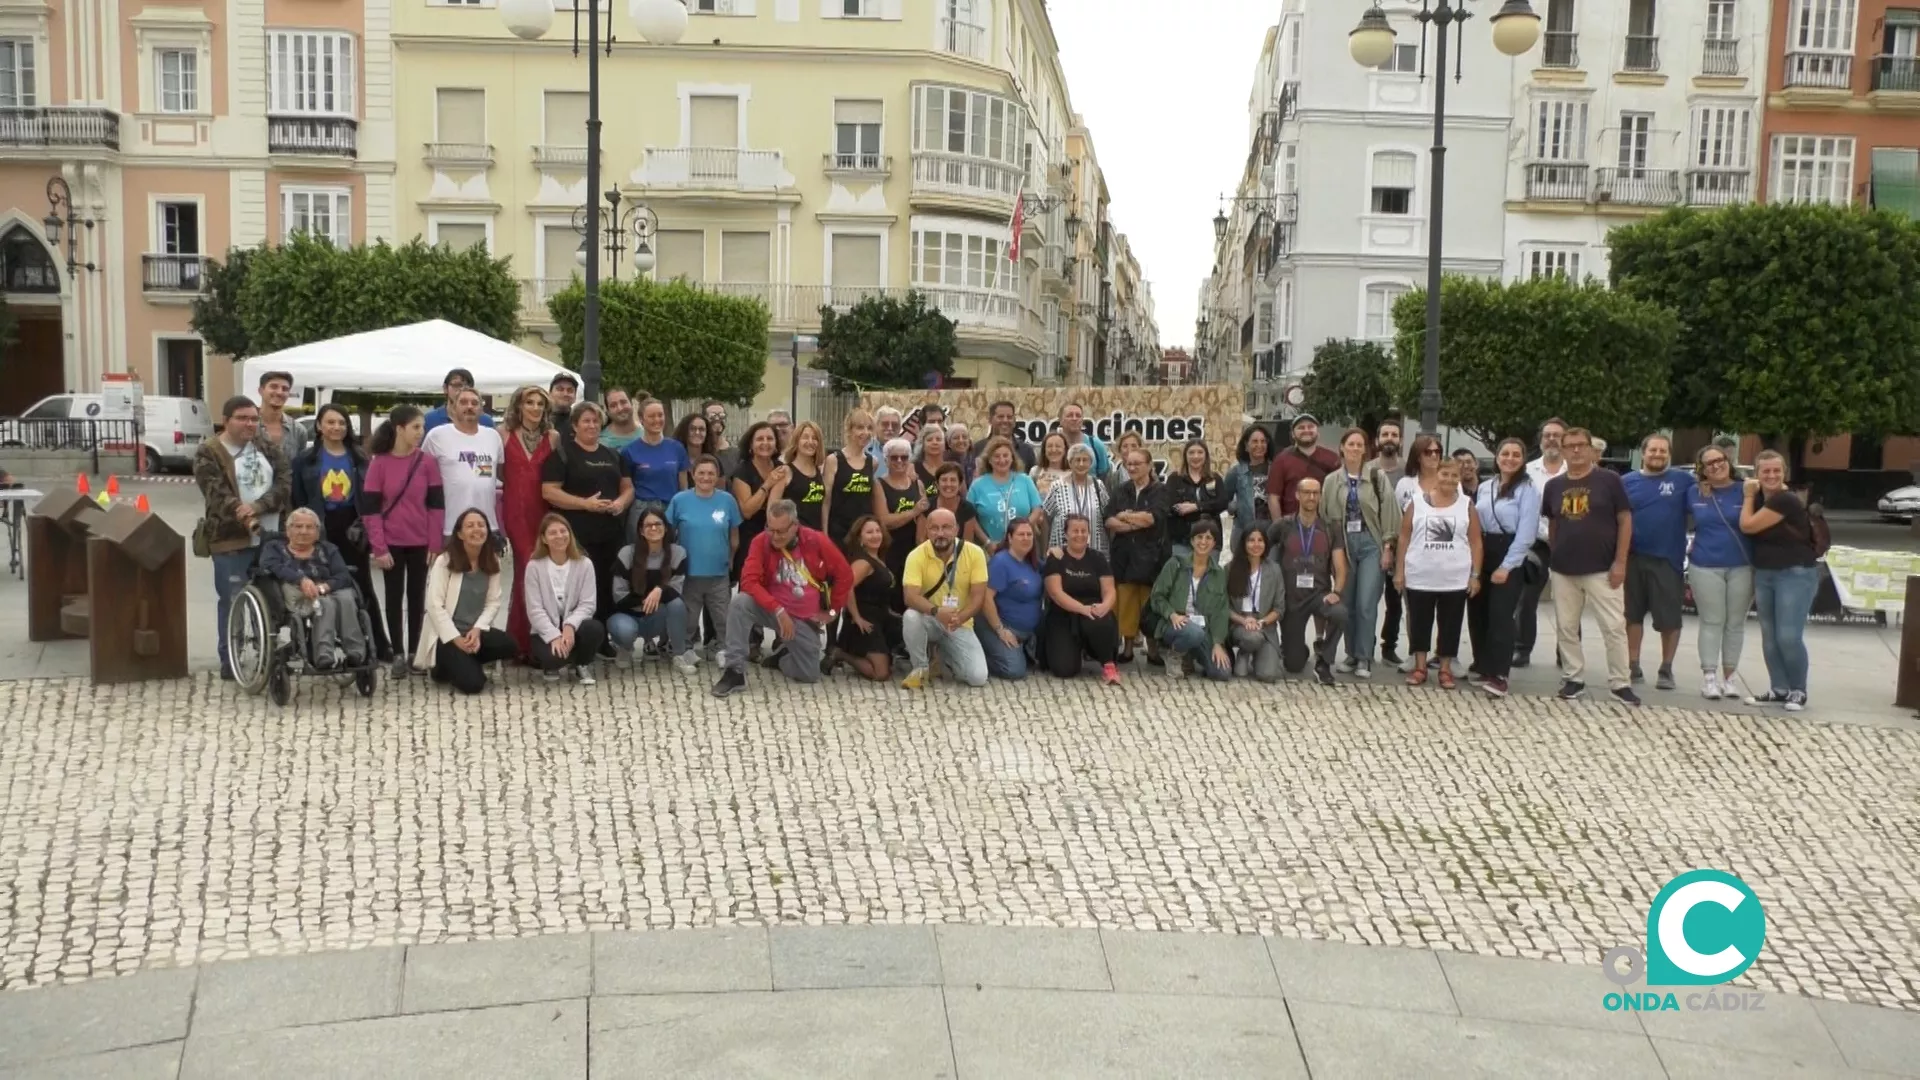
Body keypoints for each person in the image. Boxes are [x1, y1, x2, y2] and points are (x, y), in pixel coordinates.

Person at [195, 395, 292, 681]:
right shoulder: (208, 452)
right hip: (229, 539)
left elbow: (285, 481)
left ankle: (269, 651)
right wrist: (242, 512)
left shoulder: (265, 447)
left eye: (253, 419)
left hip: (269, 536)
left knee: (272, 597)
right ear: (226, 421)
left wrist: (260, 507)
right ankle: (231, 658)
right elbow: (216, 492)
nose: (250, 424)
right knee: (233, 598)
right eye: (243, 418)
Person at [712, 499, 852, 696]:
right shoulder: (760, 542)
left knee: (809, 675)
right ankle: (734, 670)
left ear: (795, 526)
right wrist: (777, 609)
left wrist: (832, 611)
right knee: (740, 602)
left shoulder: (816, 540)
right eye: (771, 529)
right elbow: (749, 581)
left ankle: (782, 658)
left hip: (803, 618)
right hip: (772, 609)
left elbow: (845, 574)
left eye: (781, 531)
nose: (774, 536)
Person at [1542, 427, 1638, 706]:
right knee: (1566, 626)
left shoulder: (1609, 480)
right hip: (1564, 569)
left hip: (1603, 568)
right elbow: (1553, 522)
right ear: (1561, 450)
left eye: (1580, 445)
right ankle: (1574, 677)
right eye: (1569, 445)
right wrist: (1556, 549)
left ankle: (1620, 682)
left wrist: (1620, 561)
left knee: (1613, 626)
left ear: (1590, 448)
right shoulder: (1554, 486)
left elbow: (1625, 520)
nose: (1575, 450)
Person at [289, 403, 390, 663]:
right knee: (320, 586)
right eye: (330, 422)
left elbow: (370, 496)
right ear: (319, 426)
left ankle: (377, 643)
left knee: (362, 585)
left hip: (353, 527)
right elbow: (298, 497)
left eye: (341, 423)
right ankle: (316, 645)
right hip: (320, 525)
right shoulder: (305, 460)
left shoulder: (359, 458)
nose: (336, 427)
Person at [541, 401, 632, 660]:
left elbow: (628, 487)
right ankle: (574, 641)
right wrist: (585, 504)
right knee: (580, 588)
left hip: (611, 532)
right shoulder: (563, 455)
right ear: (574, 426)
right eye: (586, 421)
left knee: (607, 586)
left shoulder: (613, 454)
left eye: (595, 421)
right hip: (578, 534)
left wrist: (620, 503)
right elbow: (549, 492)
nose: (591, 425)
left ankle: (602, 639)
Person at [363, 405, 445, 676]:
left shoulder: (427, 462)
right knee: (394, 597)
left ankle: (415, 652)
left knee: (418, 597)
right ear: (399, 428)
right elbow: (371, 510)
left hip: (420, 541)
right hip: (392, 542)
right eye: (416, 427)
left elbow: (436, 506)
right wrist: (379, 547)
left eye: (422, 427)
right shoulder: (379, 463)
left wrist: (435, 543)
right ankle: (397, 652)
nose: (421, 433)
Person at [1739, 450, 1821, 711]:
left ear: (1784, 472)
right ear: (1757, 473)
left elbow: (1748, 526)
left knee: (1788, 636)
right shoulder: (1766, 497)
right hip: (1766, 573)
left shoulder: (1784, 500)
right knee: (1770, 636)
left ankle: (1798, 690)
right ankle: (1779, 688)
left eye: (1776, 471)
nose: (1771, 475)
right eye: (1766, 471)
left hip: (1795, 573)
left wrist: (1749, 495)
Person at [1395, 458, 1482, 690]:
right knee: (1420, 623)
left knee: (1450, 625)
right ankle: (1420, 666)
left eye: (1454, 476)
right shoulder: (1416, 503)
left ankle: (1445, 669)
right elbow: (1404, 536)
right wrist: (1399, 571)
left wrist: (1475, 574)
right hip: (1420, 575)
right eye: (1445, 474)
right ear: (1437, 475)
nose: (1449, 480)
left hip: (1454, 578)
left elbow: (1475, 541)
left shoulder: (1467, 505)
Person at [1323, 427, 1398, 680]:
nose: (1355, 449)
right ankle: (1351, 653)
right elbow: (1327, 517)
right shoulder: (1332, 480)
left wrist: (1388, 547)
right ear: (1342, 448)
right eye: (1350, 444)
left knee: (1366, 603)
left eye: (1359, 445)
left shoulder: (1377, 477)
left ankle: (1365, 656)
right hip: (1343, 545)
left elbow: (1390, 512)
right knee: (1348, 604)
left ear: (1365, 450)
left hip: (1370, 544)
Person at [1468, 438, 1539, 698]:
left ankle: (1500, 673)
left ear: (1523, 459)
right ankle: (1483, 665)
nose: (1510, 458)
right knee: (1478, 611)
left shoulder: (1527, 489)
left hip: (1509, 550)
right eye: (1505, 453)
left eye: (1516, 454)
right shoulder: (1486, 487)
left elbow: (1526, 532)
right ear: (1496, 457)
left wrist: (1507, 565)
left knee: (1501, 614)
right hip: (1483, 548)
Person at [419, 508, 516, 694]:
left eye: (481, 525)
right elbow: (434, 605)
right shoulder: (444, 561)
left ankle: (466, 660)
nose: (476, 530)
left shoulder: (492, 560)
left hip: (472, 631)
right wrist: (456, 639)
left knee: (508, 645)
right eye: (470, 526)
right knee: (473, 685)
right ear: (459, 533)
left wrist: (477, 630)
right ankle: (443, 667)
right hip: (447, 636)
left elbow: (493, 602)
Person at [260, 508, 369, 669]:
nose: (303, 531)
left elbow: (343, 575)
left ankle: (356, 653)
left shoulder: (328, 549)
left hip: (327, 590)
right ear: (288, 530)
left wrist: (326, 586)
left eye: (309, 527)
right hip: (296, 593)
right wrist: (301, 579)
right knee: (325, 604)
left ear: (318, 532)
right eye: (298, 526)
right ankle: (323, 655)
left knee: (347, 598)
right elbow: (270, 565)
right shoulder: (274, 548)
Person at [1687, 444, 1753, 701]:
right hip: (1705, 564)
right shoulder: (1694, 492)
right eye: (1709, 463)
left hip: (1742, 564)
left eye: (1720, 460)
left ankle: (1730, 678)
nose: (1716, 465)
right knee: (1712, 621)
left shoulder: (1747, 489)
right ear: (1702, 469)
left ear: (1729, 461)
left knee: (1735, 623)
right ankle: (1709, 678)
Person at [498, 385, 560, 660]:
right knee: (527, 569)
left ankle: (532, 639)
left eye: (540, 404)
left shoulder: (553, 437)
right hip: (515, 511)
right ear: (519, 406)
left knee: (540, 573)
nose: (535, 408)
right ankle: (522, 643)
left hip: (543, 512)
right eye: (530, 403)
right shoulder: (502, 435)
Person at [1622, 434, 1688, 691]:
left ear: (1669, 454)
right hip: (1633, 558)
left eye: (1663, 451)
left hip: (1667, 559)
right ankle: (1632, 663)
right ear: (1643, 452)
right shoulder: (1626, 482)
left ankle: (1666, 668)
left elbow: (1709, 493)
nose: (1658, 455)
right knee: (1632, 616)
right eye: (1653, 450)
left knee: (1669, 619)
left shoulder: (1683, 480)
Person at [898, 507, 990, 688]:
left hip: (960, 622)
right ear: (927, 530)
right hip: (930, 618)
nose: (940, 533)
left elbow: (978, 598)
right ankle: (920, 668)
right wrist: (937, 612)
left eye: (946, 527)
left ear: (956, 529)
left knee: (978, 678)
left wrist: (960, 618)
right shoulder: (916, 555)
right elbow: (910, 597)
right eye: (934, 528)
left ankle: (944, 656)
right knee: (910, 616)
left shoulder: (975, 553)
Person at [1267, 478, 1345, 686]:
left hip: (1319, 595)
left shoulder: (1330, 527)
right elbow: (1259, 551)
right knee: (1293, 665)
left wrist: (1337, 591)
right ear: (1297, 495)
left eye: (1315, 493)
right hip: (1291, 598)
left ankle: (1324, 662)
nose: (1311, 497)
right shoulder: (1283, 525)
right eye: (1307, 492)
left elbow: (1340, 565)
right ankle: (1298, 649)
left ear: (1320, 496)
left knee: (1340, 613)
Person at [666, 455, 742, 658]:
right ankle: (685, 651)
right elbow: (668, 533)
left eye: (711, 473)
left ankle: (726, 651)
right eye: (701, 472)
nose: (706, 477)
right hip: (689, 573)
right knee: (689, 619)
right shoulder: (680, 500)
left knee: (723, 618)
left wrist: (731, 560)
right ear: (693, 474)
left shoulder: (727, 500)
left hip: (718, 573)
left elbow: (734, 535)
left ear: (718, 476)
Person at [608, 507, 699, 674]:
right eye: (648, 525)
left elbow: (676, 590)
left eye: (658, 524)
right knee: (624, 630)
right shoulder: (627, 553)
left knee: (677, 605)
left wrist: (658, 590)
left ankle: (679, 654)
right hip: (628, 615)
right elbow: (619, 597)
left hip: (657, 616)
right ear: (641, 531)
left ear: (666, 527)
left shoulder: (678, 553)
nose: (654, 528)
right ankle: (624, 647)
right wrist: (647, 599)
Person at [522, 513, 607, 685]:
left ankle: (581, 663)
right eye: (553, 533)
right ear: (544, 539)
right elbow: (535, 609)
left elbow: (588, 604)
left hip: (575, 627)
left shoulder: (584, 564)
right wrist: (554, 636)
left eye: (563, 531)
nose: (559, 536)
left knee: (595, 629)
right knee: (553, 658)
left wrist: (569, 626)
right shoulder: (534, 567)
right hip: (546, 630)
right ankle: (556, 662)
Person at [1041, 514, 1123, 682]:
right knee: (1064, 670)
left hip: (1093, 611)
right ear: (1065, 534)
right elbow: (1056, 593)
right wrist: (1081, 609)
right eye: (1075, 531)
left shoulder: (1098, 558)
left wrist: (1105, 606)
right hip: (1063, 614)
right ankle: (1073, 648)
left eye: (1084, 531)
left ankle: (1108, 664)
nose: (1080, 535)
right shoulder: (1056, 558)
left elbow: (1109, 590)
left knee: (1103, 620)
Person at [1106, 447, 1168, 666]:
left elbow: (1153, 518)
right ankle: (1128, 648)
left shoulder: (1160, 490)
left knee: (1149, 604)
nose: (1131, 468)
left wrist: (1126, 516)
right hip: (1124, 556)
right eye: (1128, 464)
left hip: (1152, 557)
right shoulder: (1121, 490)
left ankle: (1153, 650)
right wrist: (1133, 522)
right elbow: (1109, 520)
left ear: (1149, 466)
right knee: (1127, 603)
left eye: (1137, 464)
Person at [1515, 417, 1568, 668]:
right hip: (1535, 543)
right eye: (1547, 435)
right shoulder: (1527, 471)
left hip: (1568, 544)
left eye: (1557, 435)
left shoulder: (1577, 470)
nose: (1552, 439)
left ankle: (1566, 654)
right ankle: (1522, 649)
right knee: (1526, 600)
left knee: (1570, 602)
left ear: (1565, 439)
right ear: (1541, 439)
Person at [1149, 521, 1232, 680]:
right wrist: (1171, 614)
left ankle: (1191, 655)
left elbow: (1221, 611)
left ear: (1214, 543)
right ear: (1192, 540)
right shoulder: (1175, 564)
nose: (1203, 542)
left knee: (1222, 672)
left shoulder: (1218, 573)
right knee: (1193, 633)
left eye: (1209, 538)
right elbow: (1157, 596)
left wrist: (1217, 643)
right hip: (1174, 623)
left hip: (1203, 630)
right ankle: (1174, 653)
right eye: (1199, 537)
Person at [421, 387, 505, 543]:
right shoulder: (436, 436)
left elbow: (499, 473)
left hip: (486, 526)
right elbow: (421, 475)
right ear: (453, 408)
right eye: (464, 402)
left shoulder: (493, 436)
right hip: (450, 527)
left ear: (481, 409)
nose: (469, 406)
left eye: (474, 403)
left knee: (486, 568)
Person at [978, 518, 1045, 679]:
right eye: (1021, 534)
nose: (1026, 538)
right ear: (1009, 537)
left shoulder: (1034, 563)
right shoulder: (1001, 562)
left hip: (1028, 632)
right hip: (1001, 627)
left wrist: (1058, 553)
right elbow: (986, 598)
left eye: (1029, 534)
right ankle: (977, 659)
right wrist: (1000, 630)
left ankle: (1022, 650)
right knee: (1014, 670)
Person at [832, 516, 895, 682]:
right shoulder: (863, 562)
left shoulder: (878, 558)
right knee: (881, 673)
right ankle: (841, 654)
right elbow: (846, 587)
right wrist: (856, 617)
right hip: (865, 621)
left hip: (881, 617)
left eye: (877, 531)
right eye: (869, 532)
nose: (875, 535)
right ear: (860, 538)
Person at [873, 438, 928, 613]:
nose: (899, 461)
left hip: (913, 548)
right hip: (890, 549)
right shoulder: (879, 484)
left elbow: (924, 515)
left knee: (912, 594)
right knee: (892, 595)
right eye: (894, 457)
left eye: (904, 458)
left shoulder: (917, 484)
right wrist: (912, 512)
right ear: (886, 460)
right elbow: (884, 521)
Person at [730, 421, 788, 583]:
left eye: (770, 439)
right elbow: (747, 511)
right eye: (760, 439)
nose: (765, 443)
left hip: (778, 535)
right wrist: (768, 484)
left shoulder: (781, 467)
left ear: (776, 444)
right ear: (751, 444)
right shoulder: (742, 472)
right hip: (751, 537)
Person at [1371, 419, 1408, 666]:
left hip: (1402, 546)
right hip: (1373, 543)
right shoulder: (1368, 470)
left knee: (1395, 601)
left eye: (1394, 434)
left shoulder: (1409, 471)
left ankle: (1389, 646)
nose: (1389, 438)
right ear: (1377, 440)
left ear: (1401, 441)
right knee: (1367, 598)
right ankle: (1365, 645)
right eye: (1385, 434)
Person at [1224, 527, 1283, 682]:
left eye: (1260, 540)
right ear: (1243, 543)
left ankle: (1256, 654)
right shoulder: (1230, 569)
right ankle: (1244, 652)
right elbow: (1224, 606)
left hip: (1265, 626)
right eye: (1251, 540)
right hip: (1239, 624)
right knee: (1252, 638)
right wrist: (1244, 621)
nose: (1256, 544)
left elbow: (1279, 608)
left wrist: (1261, 622)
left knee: (1268, 675)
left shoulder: (1274, 570)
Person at [967, 436, 1045, 547]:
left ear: (1012, 458)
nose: (1002, 460)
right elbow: (970, 517)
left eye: (1005, 455)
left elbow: (1037, 509)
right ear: (989, 460)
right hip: (992, 548)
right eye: (996, 456)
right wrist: (987, 543)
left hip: (1023, 545)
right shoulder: (978, 485)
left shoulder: (1025, 480)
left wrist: (1022, 531)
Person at [619, 397, 688, 513]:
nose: (657, 419)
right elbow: (626, 489)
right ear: (641, 419)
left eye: (660, 415)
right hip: (642, 510)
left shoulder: (677, 448)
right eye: (651, 416)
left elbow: (683, 488)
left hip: (671, 509)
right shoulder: (629, 451)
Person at [1266, 414, 1339, 520]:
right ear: (1293, 434)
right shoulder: (1281, 460)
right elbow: (1273, 497)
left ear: (1317, 433)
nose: (1306, 430)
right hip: (1291, 524)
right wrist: (1280, 528)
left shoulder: (1332, 458)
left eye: (1310, 427)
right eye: (1301, 427)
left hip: (1323, 524)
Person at [1163, 438, 1228, 558]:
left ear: (1206, 456)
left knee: (1208, 576)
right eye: (1191, 452)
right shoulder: (1175, 478)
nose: (1196, 456)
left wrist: (1197, 507)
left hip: (1210, 540)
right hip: (1181, 541)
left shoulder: (1215, 478)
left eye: (1200, 452)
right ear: (1185, 456)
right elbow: (1169, 504)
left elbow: (1222, 503)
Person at [1041, 443, 1109, 553]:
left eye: (1085, 460)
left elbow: (1107, 516)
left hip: (1094, 550)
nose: (1081, 464)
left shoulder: (1099, 485)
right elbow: (1045, 517)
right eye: (1077, 460)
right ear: (1070, 463)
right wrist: (1045, 548)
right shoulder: (1057, 486)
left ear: (1090, 463)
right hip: (1063, 552)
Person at [823, 410, 877, 547]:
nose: (865, 432)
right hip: (838, 530)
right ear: (849, 430)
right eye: (860, 427)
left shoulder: (873, 462)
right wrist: (824, 533)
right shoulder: (834, 460)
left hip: (863, 533)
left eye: (869, 428)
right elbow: (826, 500)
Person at [1224, 423, 1273, 547]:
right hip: (1244, 532)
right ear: (1246, 446)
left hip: (1271, 532)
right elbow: (1224, 499)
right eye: (1255, 441)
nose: (1259, 445)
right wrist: (1234, 507)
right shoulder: (1236, 472)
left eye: (1263, 441)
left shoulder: (1276, 469)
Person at [783, 420, 830, 533]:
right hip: (794, 538)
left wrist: (825, 534)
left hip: (815, 537)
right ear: (796, 441)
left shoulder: (820, 471)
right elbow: (772, 508)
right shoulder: (786, 471)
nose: (810, 441)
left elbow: (824, 506)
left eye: (815, 438)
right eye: (805, 437)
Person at [253, 370, 309, 462]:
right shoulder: (247, 425)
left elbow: (300, 467)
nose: (279, 392)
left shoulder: (298, 431)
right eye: (274, 387)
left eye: (285, 389)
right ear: (261, 391)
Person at [930, 462, 989, 549]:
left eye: (953, 480)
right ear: (937, 484)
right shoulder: (927, 506)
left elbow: (967, 544)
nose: (948, 484)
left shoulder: (968, 509)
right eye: (944, 480)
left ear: (960, 485)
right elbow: (920, 540)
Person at [424, 368, 498, 434]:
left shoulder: (485, 421)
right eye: (457, 385)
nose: (462, 389)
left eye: (467, 386)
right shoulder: (429, 420)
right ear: (445, 388)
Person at [973, 400, 1037, 472]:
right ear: (990, 420)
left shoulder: (1026, 450)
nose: (1005, 420)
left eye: (1009, 417)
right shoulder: (977, 448)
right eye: (1000, 417)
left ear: (1014, 421)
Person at [1058, 402, 1113, 478]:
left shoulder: (1095, 445)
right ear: (1060, 420)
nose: (1074, 419)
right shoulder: (1052, 446)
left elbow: (1105, 478)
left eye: (1078, 416)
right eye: (1070, 415)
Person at [1030, 432, 1071, 498]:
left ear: (1065, 450)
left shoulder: (1072, 474)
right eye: (1049, 446)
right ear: (1044, 450)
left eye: (1058, 446)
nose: (1053, 450)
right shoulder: (1035, 472)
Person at [599, 388, 642, 452]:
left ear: (631, 403)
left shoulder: (647, 433)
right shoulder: (602, 442)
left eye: (623, 402)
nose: (620, 408)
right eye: (613, 405)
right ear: (608, 412)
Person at [548, 372, 580, 441]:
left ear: (575, 397)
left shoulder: (580, 422)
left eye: (570, 390)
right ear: (550, 394)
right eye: (560, 389)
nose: (565, 394)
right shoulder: (540, 421)